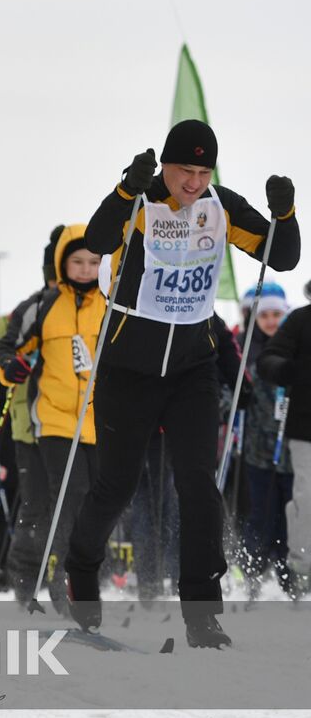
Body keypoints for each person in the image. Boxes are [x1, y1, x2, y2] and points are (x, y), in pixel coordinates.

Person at [65, 120, 299, 647]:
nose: (192, 182)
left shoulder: (220, 205)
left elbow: (279, 256)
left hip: (193, 366)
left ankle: (201, 611)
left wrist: (285, 214)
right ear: (165, 165)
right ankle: (81, 569)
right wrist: (126, 187)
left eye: (202, 171)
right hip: (129, 368)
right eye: (183, 170)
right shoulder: (141, 202)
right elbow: (98, 241)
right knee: (117, 484)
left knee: (197, 484)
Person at [0, 224, 105, 612]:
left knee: (91, 506)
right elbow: (2, 346)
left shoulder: (111, 303)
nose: (86, 269)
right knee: (51, 505)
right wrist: (10, 365)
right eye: (77, 261)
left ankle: (82, 584)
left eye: (94, 262)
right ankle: (43, 588)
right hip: (52, 420)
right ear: (60, 263)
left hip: (98, 422)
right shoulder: (42, 304)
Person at [237, 283, 295, 595]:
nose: (271, 321)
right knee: (260, 513)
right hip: (257, 450)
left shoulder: (294, 347)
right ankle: (253, 574)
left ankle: (290, 576)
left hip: (290, 451)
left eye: (276, 315)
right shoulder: (248, 350)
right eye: (265, 315)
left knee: (289, 514)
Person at [257, 281, 311, 595]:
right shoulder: (301, 320)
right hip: (306, 428)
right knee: (307, 497)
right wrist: (291, 370)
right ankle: (302, 568)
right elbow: (269, 359)